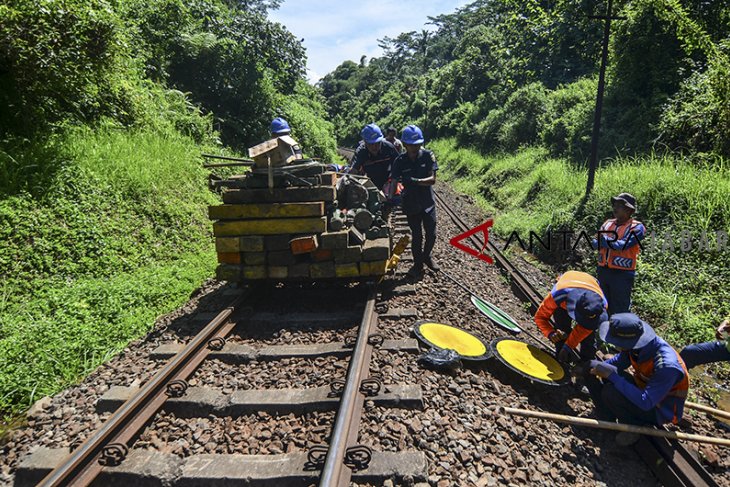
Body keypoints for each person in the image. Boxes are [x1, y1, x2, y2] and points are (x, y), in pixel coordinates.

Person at [587, 313, 689, 443]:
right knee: (595, 367)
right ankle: (606, 414)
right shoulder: (636, 346)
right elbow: (621, 361)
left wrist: (611, 375)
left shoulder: (667, 367)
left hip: (658, 409)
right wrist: (596, 367)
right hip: (643, 390)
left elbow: (645, 401)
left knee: (611, 392)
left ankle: (632, 426)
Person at [389, 125, 438, 278]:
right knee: (417, 235)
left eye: (417, 144)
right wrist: (390, 199)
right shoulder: (400, 161)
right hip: (411, 203)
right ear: (404, 145)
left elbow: (432, 180)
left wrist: (415, 181)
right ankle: (417, 265)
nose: (415, 147)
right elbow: (394, 181)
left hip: (427, 202)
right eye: (411, 145)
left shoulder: (428, 156)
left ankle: (427, 256)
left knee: (432, 234)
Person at [533, 271, 608, 363]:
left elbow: (585, 329)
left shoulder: (600, 305)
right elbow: (540, 317)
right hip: (567, 282)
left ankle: (586, 362)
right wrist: (550, 333)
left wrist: (568, 346)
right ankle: (561, 358)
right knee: (561, 325)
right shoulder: (558, 296)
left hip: (591, 283)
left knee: (588, 337)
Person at [592, 193, 646, 315]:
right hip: (603, 271)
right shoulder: (607, 223)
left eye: (619, 206)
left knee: (619, 308)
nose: (615, 208)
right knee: (602, 305)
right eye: (614, 205)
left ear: (628, 210)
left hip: (622, 274)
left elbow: (622, 245)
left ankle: (620, 332)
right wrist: (603, 242)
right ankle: (602, 331)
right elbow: (595, 243)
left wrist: (604, 241)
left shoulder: (637, 227)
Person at [348, 123, 400, 190]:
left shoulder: (389, 148)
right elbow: (353, 173)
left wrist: (393, 180)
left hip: (388, 185)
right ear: (365, 142)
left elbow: (400, 166)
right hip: (368, 186)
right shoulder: (361, 152)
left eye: (377, 143)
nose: (374, 147)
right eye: (371, 144)